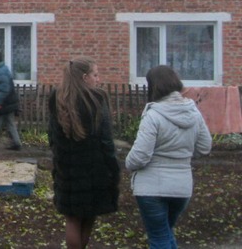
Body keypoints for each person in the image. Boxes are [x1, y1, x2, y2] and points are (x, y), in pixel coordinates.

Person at [126, 65, 212, 249]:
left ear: (153, 86)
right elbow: (205, 147)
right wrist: (183, 156)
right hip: (181, 187)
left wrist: (128, 164)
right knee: (165, 233)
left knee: (159, 238)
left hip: (151, 188)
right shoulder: (194, 112)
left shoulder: (153, 115)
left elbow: (140, 156)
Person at [48, 57, 119, 249]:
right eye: (96, 74)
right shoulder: (97, 99)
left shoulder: (57, 97)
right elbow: (106, 139)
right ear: (85, 77)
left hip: (66, 167)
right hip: (95, 167)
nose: (99, 79)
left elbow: (52, 135)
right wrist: (113, 167)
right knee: (89, 216)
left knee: (72, 217)